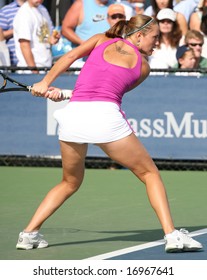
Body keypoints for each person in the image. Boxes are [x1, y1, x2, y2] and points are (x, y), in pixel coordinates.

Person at [15, 14, 203, 253]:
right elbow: (106, 93)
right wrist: (54, 88)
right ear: (138, 35)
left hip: (74, 116)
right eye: (154, 38)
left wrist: (48, 84)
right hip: (104, 118)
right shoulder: (143, 67)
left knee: (69, 182)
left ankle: (28, 234)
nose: (157, 43)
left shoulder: (98, 40)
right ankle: (172, 235)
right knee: (149, 173)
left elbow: (79, 66)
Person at [13, 0, 60, 73]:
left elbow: (46, 37)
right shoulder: (24, 13)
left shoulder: (43, 9)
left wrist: (53, 38)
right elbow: (24, 45)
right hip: (29, 72)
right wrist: (34, 72)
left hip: (45, 68)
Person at [0, 0, 26, 67]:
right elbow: (1, 35)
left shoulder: (40, 9)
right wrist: (17, 30)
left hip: (38, 61)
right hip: (13, 62)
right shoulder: (5, 10)